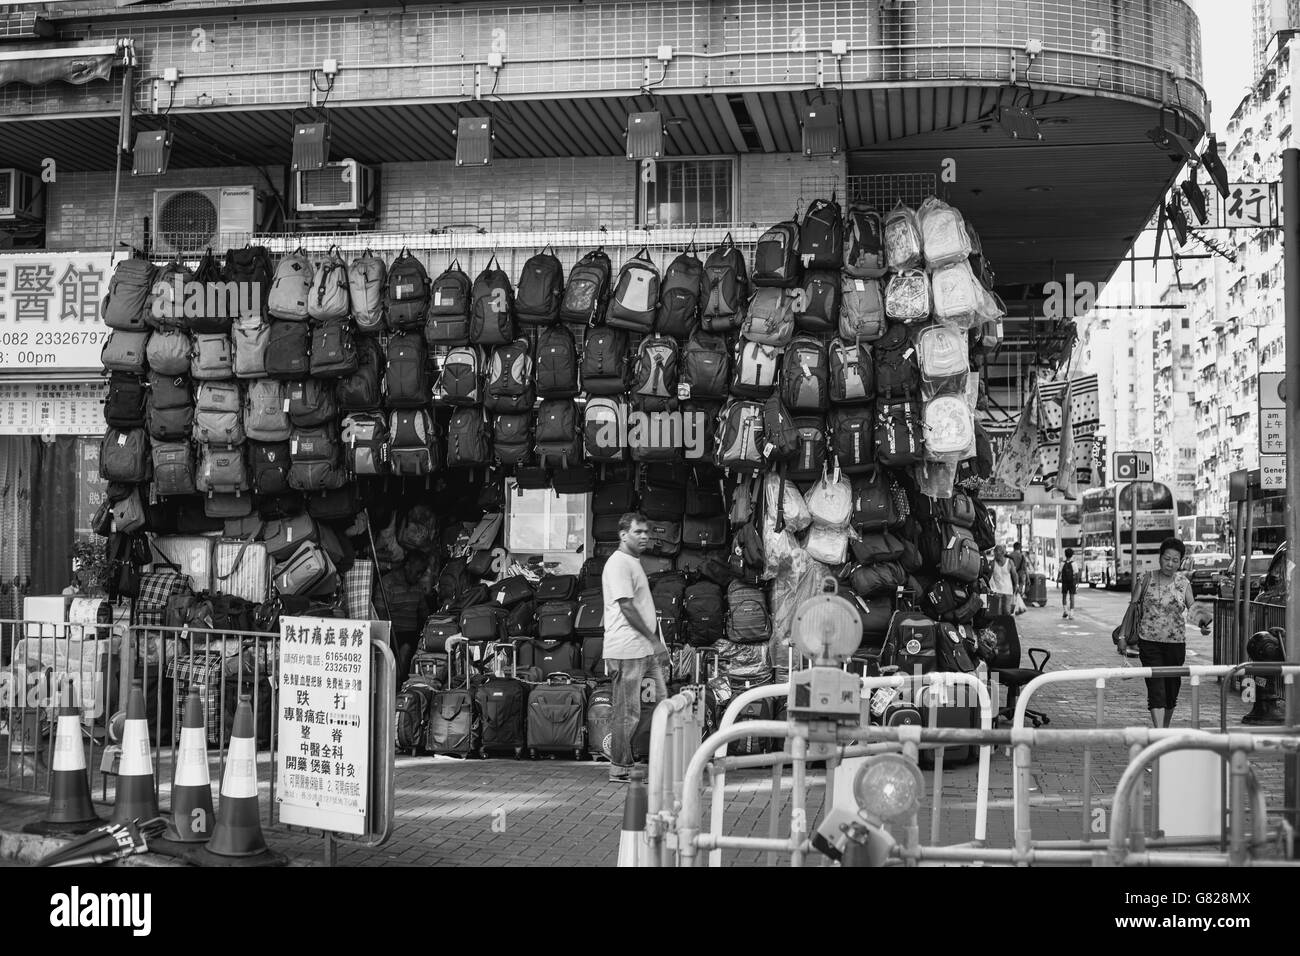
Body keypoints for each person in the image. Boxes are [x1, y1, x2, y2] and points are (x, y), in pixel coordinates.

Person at [601, 512, 667, 783]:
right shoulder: (618, 564)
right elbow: (626, 606)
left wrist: (655, 643)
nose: (644, 537)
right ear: (623, 534)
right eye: (638, 532)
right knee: (627, 711)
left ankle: (653, 758)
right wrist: (653, 641)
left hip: (643, 649)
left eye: (646, 532)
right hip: (627, 649)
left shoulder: (632, 562)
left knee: (659, 703)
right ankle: (620, 766)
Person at [1122, 537, 1210, 728]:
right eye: (1166, 558)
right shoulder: (1145, 579)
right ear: (1160, 557)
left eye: (1175, 560)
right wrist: (1123, 636)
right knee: (1156, 690)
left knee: (1171, 691)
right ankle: (1160, 732)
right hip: (1149, 644)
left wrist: (1203, 623)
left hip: (1176, 645)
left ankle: (1164, 729)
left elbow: (1192, 607)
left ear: (1180, 562)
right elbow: (1132, 608)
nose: (1170, 564)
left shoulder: (1183, 583)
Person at [382, 552, 431, 687]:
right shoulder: (387, 583)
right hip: (391, 632)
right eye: (417, 572)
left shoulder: (418, 587)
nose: (419, 576)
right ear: (407, 567)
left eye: (422, 573)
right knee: (404, 651)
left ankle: (400, 685)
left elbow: (424, 613)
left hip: (411, 634)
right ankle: (396, 686)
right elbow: (380, 614)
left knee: (408, 649)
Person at [987, 544, 1020, 616]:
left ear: (1002, 553)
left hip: (1008, 591)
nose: (995, 555)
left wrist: (1016, 585)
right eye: (995, 553)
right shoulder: (993, 563)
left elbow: (1014, 575)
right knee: (998, 612)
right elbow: (988, 577)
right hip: (997, 591)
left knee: (1007, 612)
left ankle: (1007, 626)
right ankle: (999, 626)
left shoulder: (1009, 562)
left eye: (997, 554)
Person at [1058, 548, 1078, 619]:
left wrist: (1057, 582)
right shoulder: (1074, 563)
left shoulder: (1062, 563)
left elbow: (1059, 572)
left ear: (1065, 555)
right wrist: (1077, 583)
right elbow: (1076, 574)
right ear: (1072, 555)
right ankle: (1071, 614)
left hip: (1064, 582)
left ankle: (1065, 611)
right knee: (1072, 597)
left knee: (1064, 596)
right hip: (1072, 583)